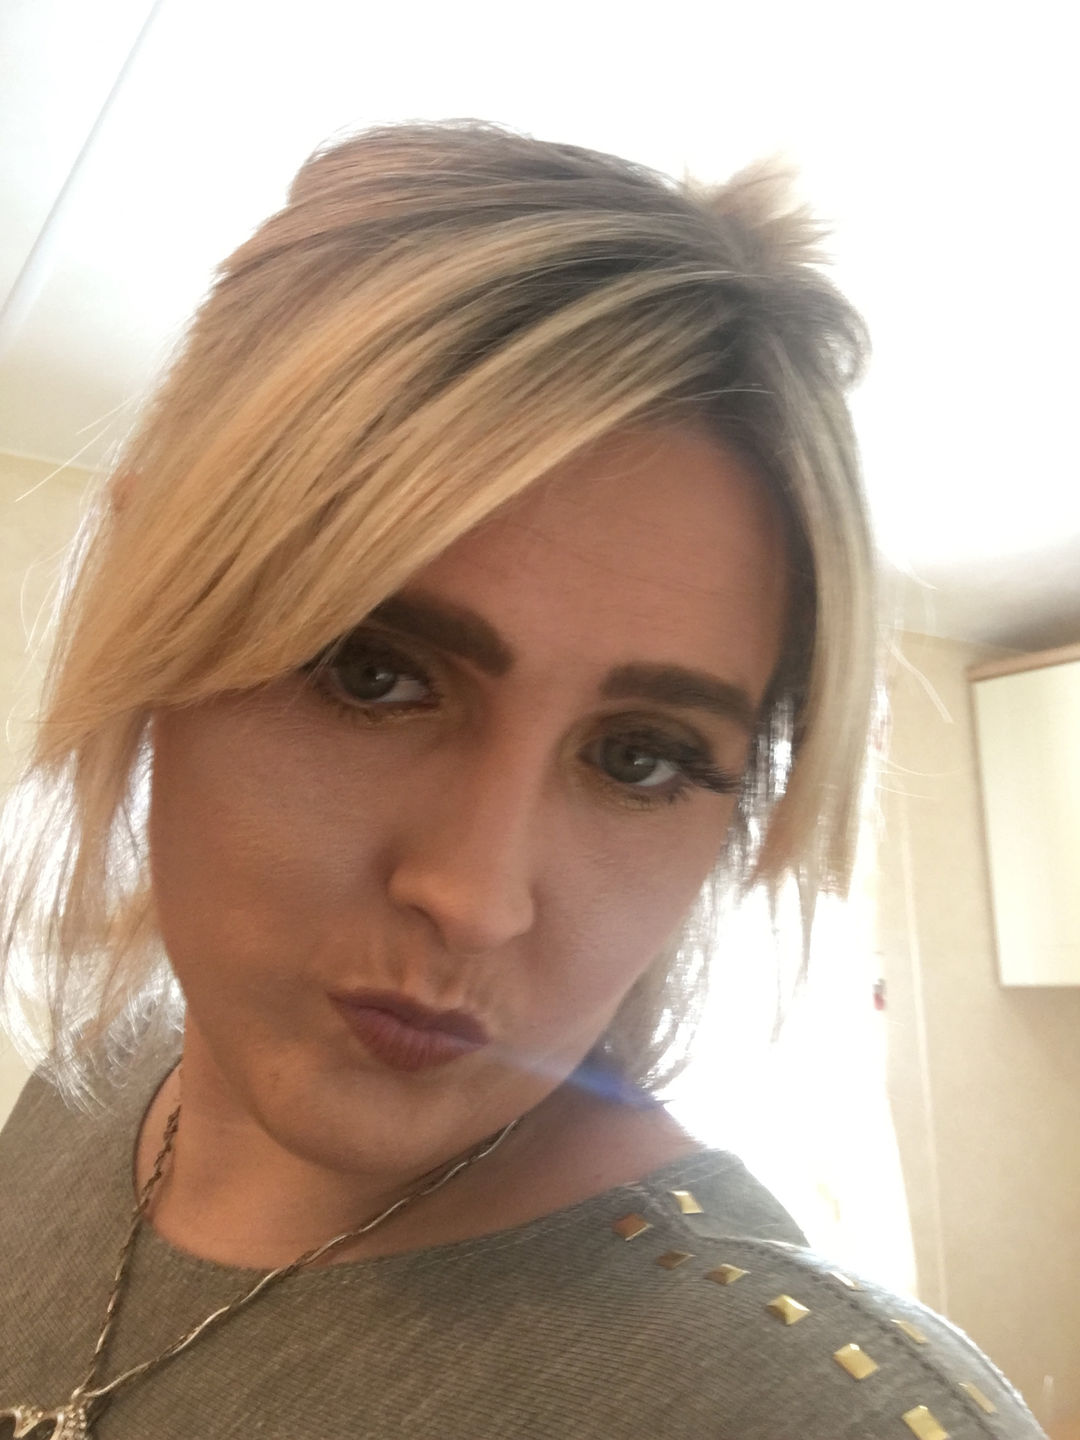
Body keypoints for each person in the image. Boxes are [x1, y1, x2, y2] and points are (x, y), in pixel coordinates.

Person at [0, 121, 1044, 1440]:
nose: (476, 898)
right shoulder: (91, 1090)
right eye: (373, 672)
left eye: (639, 757)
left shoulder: (798, 1409)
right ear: (153, 605)